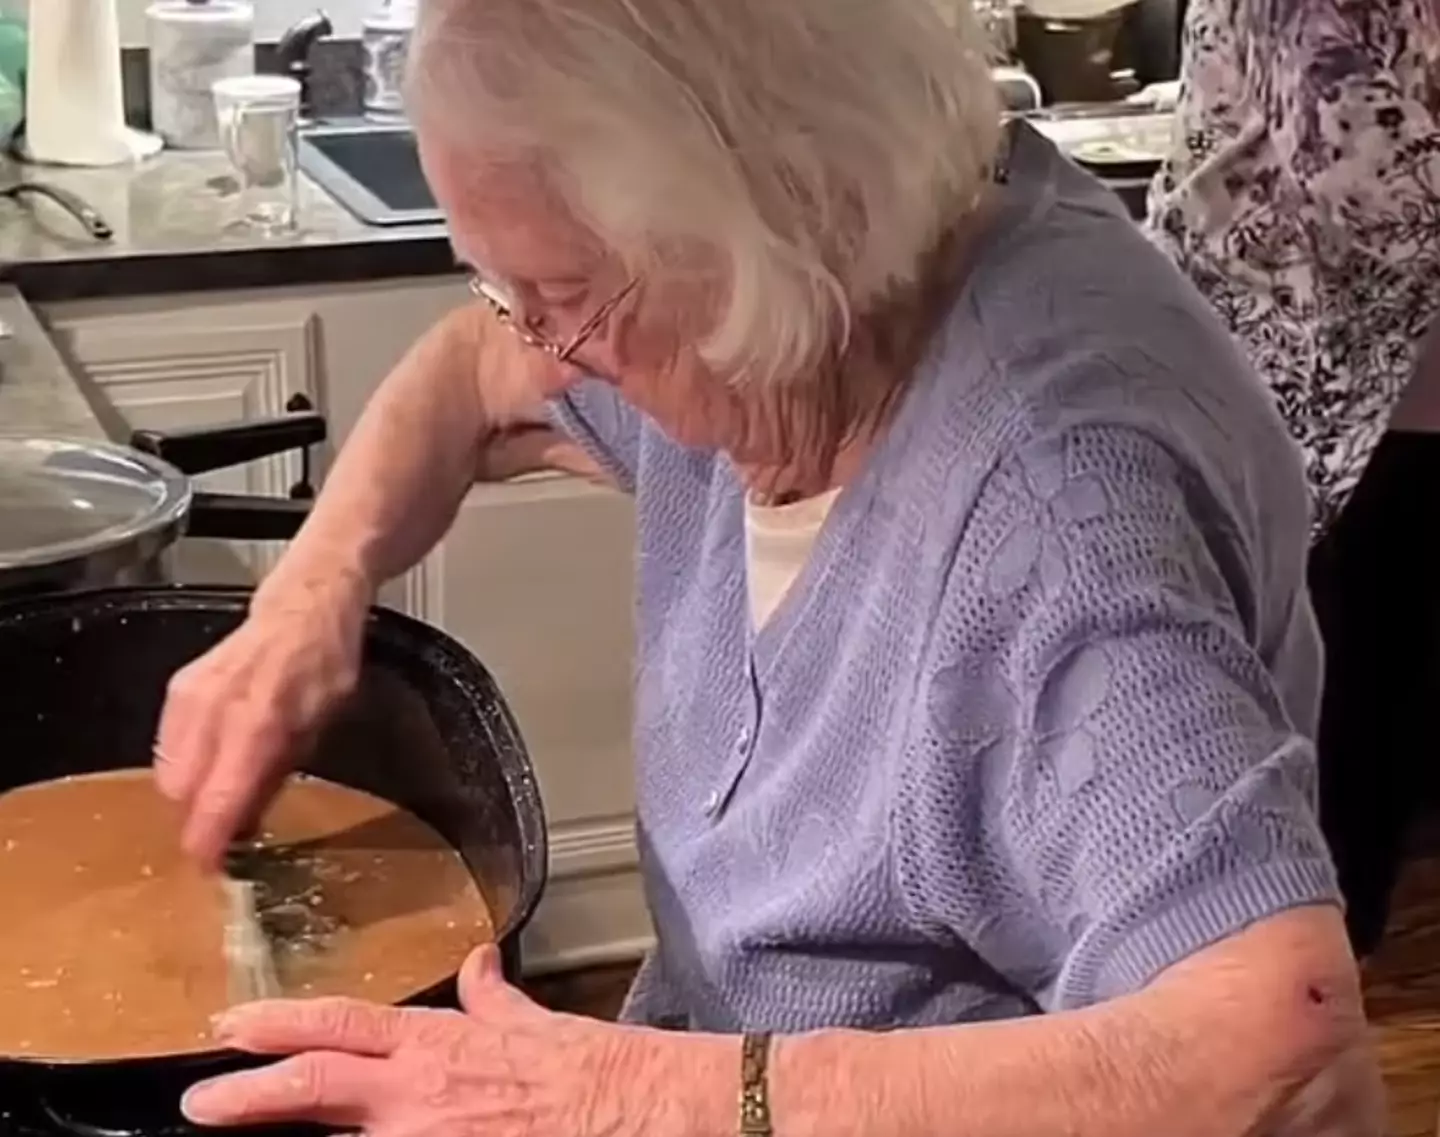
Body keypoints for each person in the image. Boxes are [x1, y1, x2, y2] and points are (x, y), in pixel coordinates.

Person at [156, 0, 1382, 1133]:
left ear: (764, 224)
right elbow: (472, 375)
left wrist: (632, 1097)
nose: (544, 345)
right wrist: (312, 590)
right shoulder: (790, 309)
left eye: (562, 295)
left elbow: (1280, 1043)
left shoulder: (1057, 513)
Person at [1146, 0, 1440, 958]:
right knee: (1300, 763)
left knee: (1346, 748)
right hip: (1291, 388)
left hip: (1372, 403)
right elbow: (1361, 173)